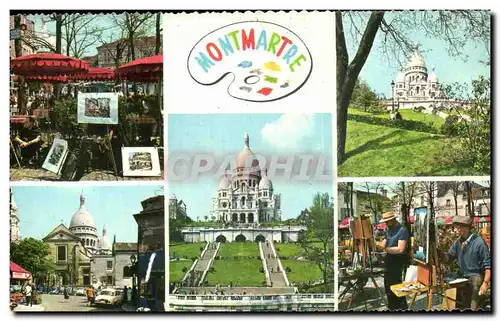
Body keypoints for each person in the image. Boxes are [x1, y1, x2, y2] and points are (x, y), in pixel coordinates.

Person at [441, 216, 491, 311]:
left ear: (467, 229)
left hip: (476, 278)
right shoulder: (458, 241)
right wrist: (438, 254)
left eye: (458, 228)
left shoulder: (479, 243)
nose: (455, 230)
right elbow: (449, 258)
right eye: (455, 227)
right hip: (463, 278)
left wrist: (485, 283)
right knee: (460, 306)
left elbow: (488, 266)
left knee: (473, 308)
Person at [378, 211, 410, 311]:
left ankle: (401, 307)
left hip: (398, 260)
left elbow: (401, 249)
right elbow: (384, 242)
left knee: (396, 285)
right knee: (387, 285)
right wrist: (377, 246)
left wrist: (385, 249)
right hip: (389, 260)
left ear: (393, 219)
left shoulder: (402, 230)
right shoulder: (388, 229)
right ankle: (392, 307)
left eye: (387, 221)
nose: (386, 223)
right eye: (385, 222)